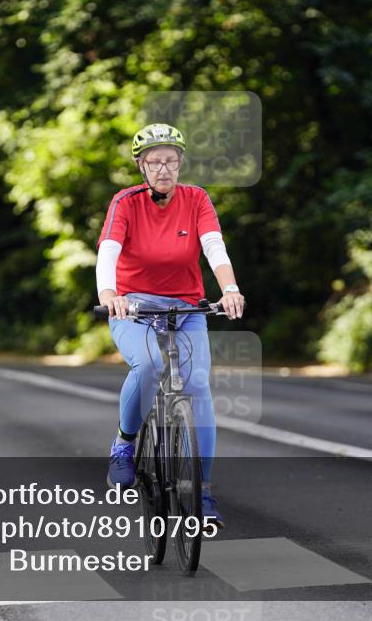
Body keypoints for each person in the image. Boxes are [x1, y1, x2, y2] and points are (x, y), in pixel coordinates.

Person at [96, 123, 245, 526]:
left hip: (186, 307)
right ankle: (125, 444)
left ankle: (202, 491)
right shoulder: (125, 202)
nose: (164, 168)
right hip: (134, 307)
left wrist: (229, 287)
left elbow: (214, 246)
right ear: (141, 166)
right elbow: (108, 252)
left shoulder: (196, 199)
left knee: (197, 384)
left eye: (172, 161)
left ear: (180, 164)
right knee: (148, 366)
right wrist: (110, 294)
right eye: (155, 161)